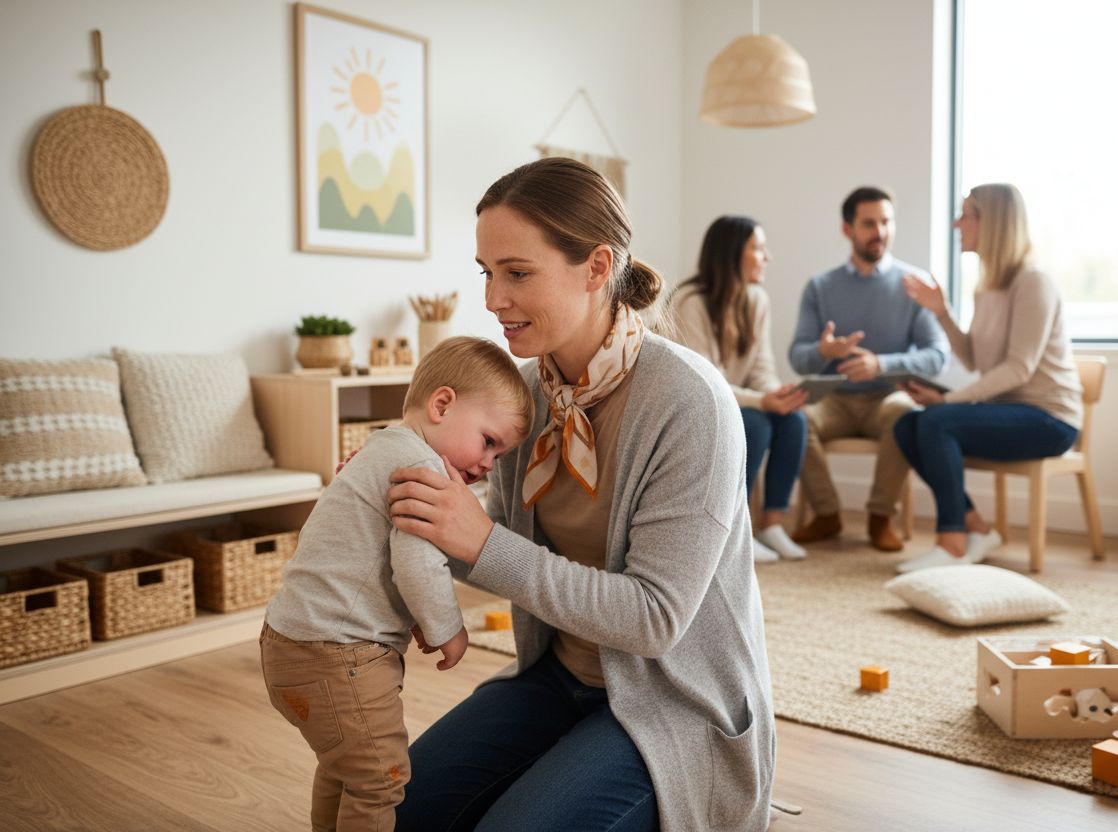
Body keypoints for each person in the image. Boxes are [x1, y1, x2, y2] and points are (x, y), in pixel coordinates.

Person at [385, 157, 775, 832]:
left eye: (517, 273)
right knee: (390, 814)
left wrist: (478, 540)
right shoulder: (528, 395)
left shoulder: (689, 401)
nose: (491, 300)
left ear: (596, 268)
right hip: (557, 678)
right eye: (486, 273)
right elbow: (497, 537)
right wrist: (406, 505)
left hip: (676, 701)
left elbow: (655, 620)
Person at [260, 336, 533, 831]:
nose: (488, 465)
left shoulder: (381, 444)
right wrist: (449, 627)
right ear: (442, 404)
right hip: (339, 655)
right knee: (381, 782)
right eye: (489, 442)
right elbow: (416, 564)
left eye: (500, 455)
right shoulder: (424, 471)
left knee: (345, 769)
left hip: (289, 641)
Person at [895, 183, 1083, 572]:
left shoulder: (1033, 283)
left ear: (992, 221)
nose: (956, 223)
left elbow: (1019, 368)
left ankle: (952, 544)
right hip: (1010, 410)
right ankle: (977, 528)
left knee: (935, 420)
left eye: (965, 214)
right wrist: (943, 313)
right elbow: (978, 360)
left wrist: (946, 402)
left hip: (1050, 418)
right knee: (907, 425)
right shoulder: (988, 288)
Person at [788, 186, 950, 551]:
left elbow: (938, 355)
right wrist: (822, 350)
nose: (880, 231)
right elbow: (797, 356)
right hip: (834, 399)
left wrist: (881, 364)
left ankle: (880, 518)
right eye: (869, 223)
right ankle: (827, 514)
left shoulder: (913, 285)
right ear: (848, 229)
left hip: (887, 398)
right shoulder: (820, 287)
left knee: (904, 412)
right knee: (796, 418)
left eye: (886, 221)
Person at [670, 215, 809, 563]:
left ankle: (773, 522)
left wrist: (778, 396)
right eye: (758, 249)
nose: (767, 257)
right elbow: (706, 379)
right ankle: (735, 527)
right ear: (733, 254)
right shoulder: (691, 301)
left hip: (737, 400)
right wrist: (763, 401)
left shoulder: (756, 300)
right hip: (696, 405)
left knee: (794, 420)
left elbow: (762, 366)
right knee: (755, 423)